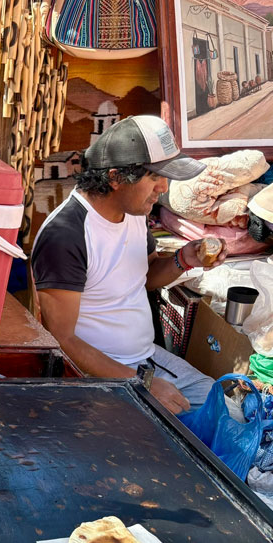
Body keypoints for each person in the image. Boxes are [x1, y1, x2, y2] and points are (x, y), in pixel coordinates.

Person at [31, 116, 227, 415]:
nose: (163, 187)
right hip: (95, 377)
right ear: (115, 177)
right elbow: (61, 339)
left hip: (145, 359)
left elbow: (143, 277)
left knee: (229, 412)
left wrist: (185, 259)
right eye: (154, 176)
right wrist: (141, 384)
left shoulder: (134, 212)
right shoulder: (67, 235)